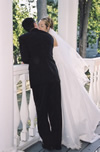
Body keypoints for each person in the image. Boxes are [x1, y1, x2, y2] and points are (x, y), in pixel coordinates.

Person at [38, 17, 100, 150]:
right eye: (39, 25)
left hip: (58, 72)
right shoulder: (47, 37)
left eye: (42, 25)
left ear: (48, 27)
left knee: (64, 101)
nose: (39, 27)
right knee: (61, 103)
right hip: (55, 71)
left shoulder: (51, 39)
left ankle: (68, 131)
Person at [19, 18, 62, 150]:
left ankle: (48, 143)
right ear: (35, 24)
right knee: (55, 110)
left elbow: (25, 59)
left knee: (42, 111)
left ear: (26, 28)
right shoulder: (48, 37)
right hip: (53, 76)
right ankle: (57, 143)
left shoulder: (23, 38)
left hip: (39, 79)